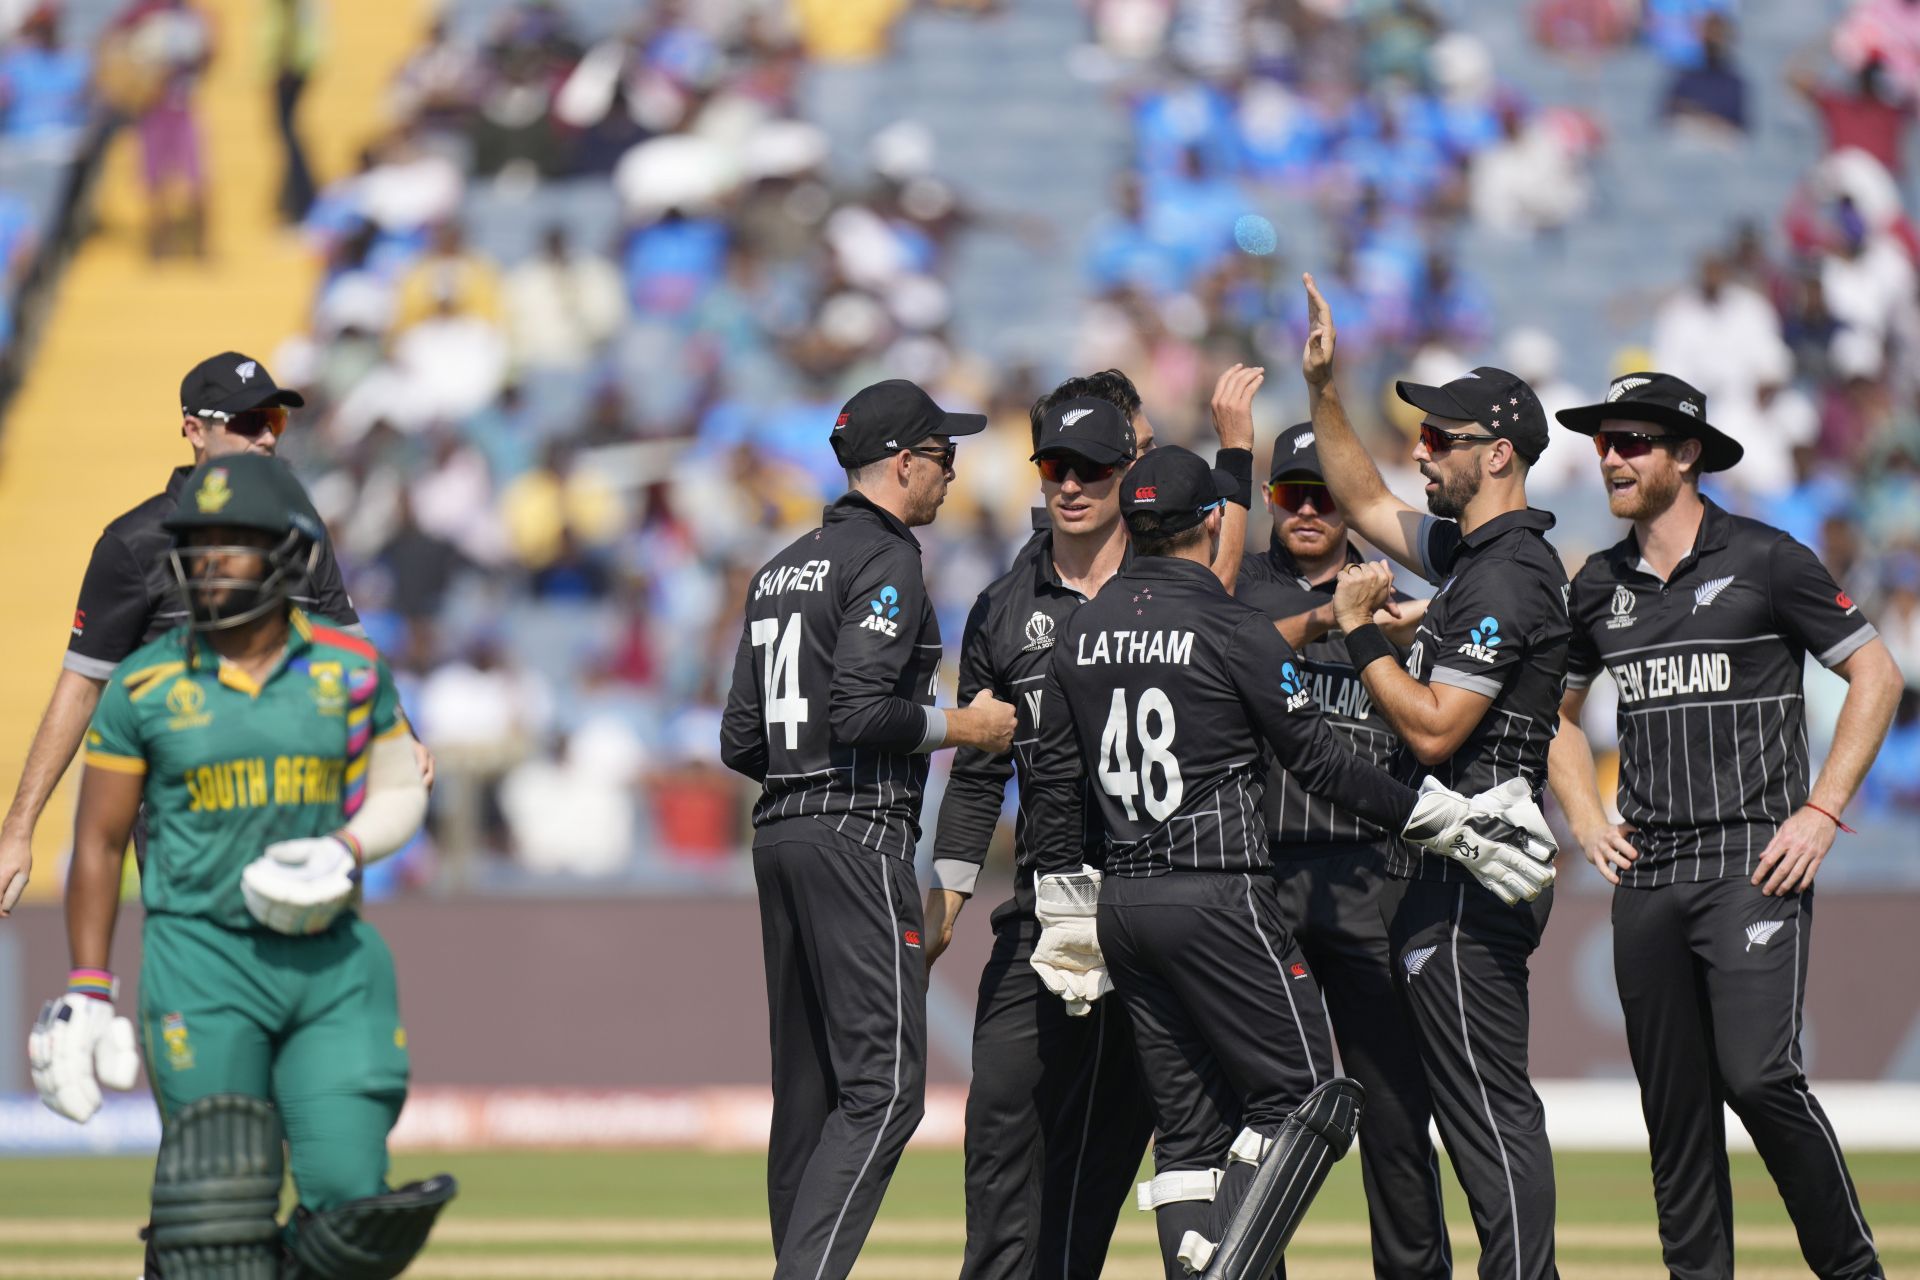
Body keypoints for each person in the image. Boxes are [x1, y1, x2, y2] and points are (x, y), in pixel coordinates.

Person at [1023, 444, 1554, 1280]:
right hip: (1222, 891)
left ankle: (1207, 1265)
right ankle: (1231, 1267)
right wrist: (1434, 815)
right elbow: (1318, 761)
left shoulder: (1079, 630)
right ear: (1212, 524)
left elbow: (1052, 771)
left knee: (1191, 1134)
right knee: (1310, 1096)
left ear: (1131, 523)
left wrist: (1061, 892)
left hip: (1123, 902)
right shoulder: (1231, 627)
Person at [26, 452, 455, 1277]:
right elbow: (100, 844)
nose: (207, 561)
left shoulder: (351, 669)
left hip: (330, 966)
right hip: (201, 964)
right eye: (197, 543)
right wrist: (87, 988)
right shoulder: (145, 686)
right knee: (215, 1223)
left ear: (287, 554)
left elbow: (404, 785)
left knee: (354, 1210)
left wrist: (346, 846)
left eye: (232, 542)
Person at [1546, 373, 1900, 1280]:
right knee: (1676, 1117)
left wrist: (1821, 812)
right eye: (1605, 442)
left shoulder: (1769, 558)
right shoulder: (1598, 584)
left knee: (1759, 1078)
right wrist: (1586, 813)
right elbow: (1558, 712)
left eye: (1633, 442)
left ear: (1686, 453)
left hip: (1753, 859)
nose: (1612, 457)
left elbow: (1877, 676)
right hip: (1647, 874)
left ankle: (1853, 1273)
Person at [930, 368, 1262, 1280]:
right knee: (999, 1117)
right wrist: (951, 890)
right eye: (1054, 469)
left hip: (1159, 908)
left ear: (1129, 469)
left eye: (1092, 469)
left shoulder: (1177, 586)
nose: (1071, 486)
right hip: (1045, 909)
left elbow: (1230, 581)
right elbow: (978, 770)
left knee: (1113, 1150)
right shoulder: (1003, 606)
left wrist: (1235, 452)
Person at [1298, 272, 1571, 1280]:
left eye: (1441, 439)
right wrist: (1325, 386)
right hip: (1446, 875)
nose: (1421, 451)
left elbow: (1432, 728)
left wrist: (1361, 629)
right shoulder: (1471, 555)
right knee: (1475, 1111)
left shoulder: (1504, 576)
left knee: (1487, 1114)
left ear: (1497, 453)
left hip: (1469, 880)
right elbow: (1364, 500)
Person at [719, 379, 1018, 1280]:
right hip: (856, 831)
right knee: (886, 1088)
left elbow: (740, 739)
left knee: (807, 1095)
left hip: (779, 833)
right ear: (901, 464)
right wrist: (963, 726)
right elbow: (859, 711)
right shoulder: (886, 559)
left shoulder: (781, 566)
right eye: (942, 457)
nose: (951, 474)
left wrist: (803, 776)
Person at [0, 352, 431, 918]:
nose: (267, 440)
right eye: (248, 423)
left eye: (273, 422)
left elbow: (354, 651)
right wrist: (19, 829)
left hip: (299, 804)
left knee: (307, 983)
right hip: (186, 821)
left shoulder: (301, 530)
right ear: (194, 431)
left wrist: (402, 734)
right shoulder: (133, 545)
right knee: (201, 983)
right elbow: (82, 687)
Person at [1233, 422, 1450, 1280]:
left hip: (1371, 880)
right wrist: (1343, 620)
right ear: (1269, 500)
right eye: (1293, 493)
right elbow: (1239, 644)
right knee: (1265, 1118)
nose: (1311, 509)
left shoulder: (1401, 592)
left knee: (1396, 1113)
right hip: (1262, 880)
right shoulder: (1237, 591)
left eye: (1326, 493)